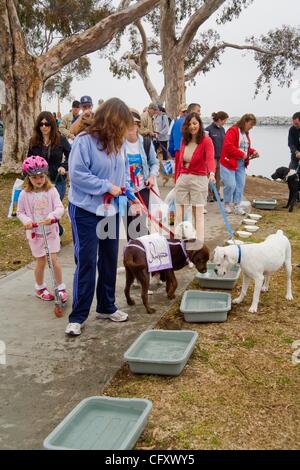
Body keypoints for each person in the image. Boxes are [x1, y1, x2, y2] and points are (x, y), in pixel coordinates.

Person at [66, 98, 135, 336]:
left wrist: (129, 194)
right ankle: (78, 316)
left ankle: (106, 306)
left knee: (108, 259)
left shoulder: (120, 143)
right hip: (85, 209)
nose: (125, 130)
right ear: (111, 121)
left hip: (110, 211)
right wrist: (107, 186)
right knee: (86, 261)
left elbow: (123, 173)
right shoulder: (84, 142)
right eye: (122, 124)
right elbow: (77, 175)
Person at [17, 156, 67, 303]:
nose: (39, 180)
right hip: (36, 234)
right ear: (28, 178)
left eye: (41, 176)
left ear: (45, 176)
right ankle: (40, 287)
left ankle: (60, 287)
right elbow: (20, 212)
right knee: (41, 261)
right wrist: (27, 221)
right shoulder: (24, 194)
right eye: (34, 177)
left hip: (50, 231)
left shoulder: (51, 191)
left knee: (53, 259)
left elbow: (59, 207)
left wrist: (52, 217)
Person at [28, 111, 71, 235]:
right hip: (39, 182)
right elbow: (29, 160)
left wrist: (64, 166)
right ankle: (56, 231)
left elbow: (72, 156)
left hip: (57, 181)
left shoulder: (61, 140)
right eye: (41, 124)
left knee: (53, 209)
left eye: (47, 124)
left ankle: (55, 234)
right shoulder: (34, 141)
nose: (44, 127)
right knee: (44, 210)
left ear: (52, 125)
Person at [175, 112, 215, 230]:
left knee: (197, 211)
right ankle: (180, 237)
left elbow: (210, 159)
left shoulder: (206, 141)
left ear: (199, 124)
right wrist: (177, 177)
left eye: (195, 123)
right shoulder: (184, 140)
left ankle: (198, 240)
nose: (192, 126)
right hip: (183, 178)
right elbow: (180, 160)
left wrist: (211, 173)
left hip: (199, 179)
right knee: (179, 210)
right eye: (189, 124)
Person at [124, 108, 159, 240]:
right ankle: (132, 252)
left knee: (139, 222)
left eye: (134, 123)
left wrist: (151, 176)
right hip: (126, 191)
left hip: (142, 189)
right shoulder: (119, 144)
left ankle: (142, 251)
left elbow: (154, 163)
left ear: (138, 125)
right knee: (129, 223)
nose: (131, 126)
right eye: (127, 123)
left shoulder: (146, 143)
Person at [220, 113, 259, 215]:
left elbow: (244, 148)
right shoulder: (233, 130)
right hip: (228, 162)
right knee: (230, 185)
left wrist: (252, 151)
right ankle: (227, 204)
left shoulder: (245, 133)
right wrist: (242, 154)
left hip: (241, 163)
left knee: (240, 185)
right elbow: (228, 146)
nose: (251, 127)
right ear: (245, 122)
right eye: (251, 124)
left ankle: (237, 205)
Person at [168, 102, 201, 181]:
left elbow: (171, 140)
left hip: (178, 152)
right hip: (187, 154)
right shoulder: (190, 123)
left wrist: (173, 153)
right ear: (192, 111)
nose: (199, 113)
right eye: (198, 111)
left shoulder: (177, 121)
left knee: (179, 177)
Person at [206, 111, 229, 201]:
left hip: (221, 157)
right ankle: (210, 195)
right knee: (211, 176)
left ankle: (217, 194)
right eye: (224, 120)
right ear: (219, 120)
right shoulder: (208, 129)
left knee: (218, 177)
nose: (225, 122)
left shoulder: (222, 129)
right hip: (212, 157)